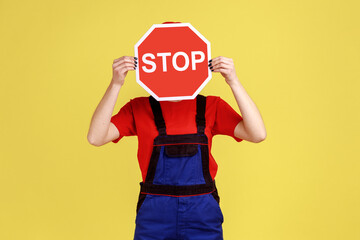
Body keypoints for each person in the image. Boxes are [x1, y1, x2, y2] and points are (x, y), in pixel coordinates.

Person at [87, 51, 266, 239]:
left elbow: (258, 134)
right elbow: (96, 137)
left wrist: (233, 81)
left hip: (202, 216)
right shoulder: (138, 108)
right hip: (154, 218)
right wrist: (116, 84)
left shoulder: (211, 106)